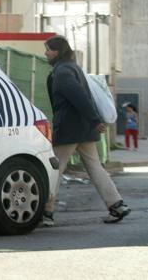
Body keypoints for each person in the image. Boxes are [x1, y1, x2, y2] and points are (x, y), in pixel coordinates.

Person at [43, 35, 130, 225]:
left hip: (69, 129)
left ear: (57, 52)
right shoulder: (72, 67)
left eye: (48, 49)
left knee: (55, 169)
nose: (45, 53)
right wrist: (92, 121)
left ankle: (46, 212)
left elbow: (79, 96)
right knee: (94, 166)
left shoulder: (63, 71)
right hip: (83, 129)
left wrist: (94, 119)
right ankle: (117, 205)